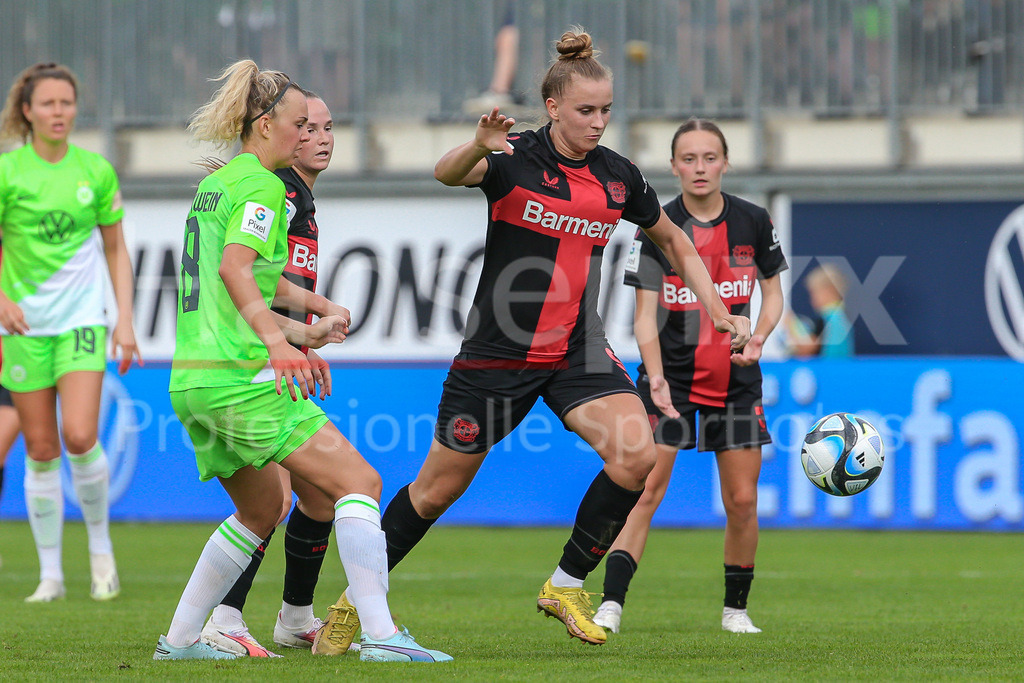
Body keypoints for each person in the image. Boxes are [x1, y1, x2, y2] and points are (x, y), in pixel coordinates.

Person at [313, 28, 751, 652]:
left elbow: (675, 241)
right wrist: (477, 145)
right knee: (435, 491)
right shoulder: (514, 157)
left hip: (574, 352)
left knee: (637, 453)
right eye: (585, 111)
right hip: (496, 356)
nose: (599, 122)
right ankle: (353, 604)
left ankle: (566, 584)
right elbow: (446, 174)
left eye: (605, 111)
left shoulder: (618, 179)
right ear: (553, 108)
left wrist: (721, 311)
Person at [154, 59, 451, 663]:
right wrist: (277, 342)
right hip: (237, 377)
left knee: (263, 508)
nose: (307, 134)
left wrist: (313, 311)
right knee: (359, 483)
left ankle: (182, 641)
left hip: (191, 379)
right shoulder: (264, 186)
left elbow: (250, 277)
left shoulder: (219, 184)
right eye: (298, 122)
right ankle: (382, 638)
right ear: (264, 124)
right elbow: (237, 270)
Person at [591, 118, 788, 636]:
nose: (699, 168)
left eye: (709, 158)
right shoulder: (657, 226)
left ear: (725, 163)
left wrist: (761, 338)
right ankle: (611, 603)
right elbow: (643, 317)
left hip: (737, 381)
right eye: (688, 159)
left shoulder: (753, 221)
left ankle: (736, 611)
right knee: (644, 490)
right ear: (674, 165)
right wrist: (653, 377)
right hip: (669, 381)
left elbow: (774, 296)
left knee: (742, 501)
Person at [199, 89, 346, 657]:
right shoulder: (277, 193)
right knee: (281, 498)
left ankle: (292, 616)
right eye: (307, 125)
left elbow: (273, 283)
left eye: (329, 126)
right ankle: (226, 615)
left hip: (273, 351)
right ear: (278, 128)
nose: (322, 136)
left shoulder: (296, 196)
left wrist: (305, 332)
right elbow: (251, 280)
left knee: (318, 498)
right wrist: (294, 341)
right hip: (252, 360)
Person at [0, 62, 140, 603]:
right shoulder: (9, 173)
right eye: (49, 104)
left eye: (67, 102)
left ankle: (101, 552)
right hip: (24, 326)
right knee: (39, 448)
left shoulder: (95, 170)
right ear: (28, 111)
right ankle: (51, 575)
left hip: (82, 322)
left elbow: (114, 247)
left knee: (79, 435)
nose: (60, 112)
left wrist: (124, 318)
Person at [788, 263, 853, 358]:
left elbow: (806, 349)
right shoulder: (841, 317)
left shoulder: (830, 319)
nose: (811, 299)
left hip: (828, 371)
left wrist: (790, 324)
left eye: (814, 292)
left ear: (829, 290)